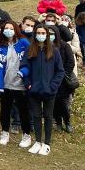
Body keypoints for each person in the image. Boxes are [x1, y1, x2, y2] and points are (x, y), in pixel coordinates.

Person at [20, 25, 65, 156]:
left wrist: (53, 86)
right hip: (33, 90)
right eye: (38, 32)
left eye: (43, 33)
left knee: (48, 116)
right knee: (36, 116)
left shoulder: (54, 50)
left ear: (46, 34)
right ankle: (38, 141)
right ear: (35, 34)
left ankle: (47, 143)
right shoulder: (30, 49)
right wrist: (28, 84)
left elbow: (60, 71)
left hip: (49, 91)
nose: (40, 35)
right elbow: (24, 66)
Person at [0, 21, 32, 148]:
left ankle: (26, 135)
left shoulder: (24, 43)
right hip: (6, 84)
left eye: (11, 28)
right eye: (6, 28)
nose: (8, 30)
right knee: (5, 110)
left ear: (16, 29)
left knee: (23, 111)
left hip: (21, 84)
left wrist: (24, 72)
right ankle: (5, 132)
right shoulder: (1, 46)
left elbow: (30, 61)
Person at [48, 25, 78, 134]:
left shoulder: (65, 46)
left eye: (52, 33)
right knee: (54, 103)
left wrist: (62, 74)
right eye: (48, 33)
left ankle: (67, 121)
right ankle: (58, 122)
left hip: (63, 81)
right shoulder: (45, 47)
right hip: (50, 80)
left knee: (64, 104)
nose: (50, 36)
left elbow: (71, 62)